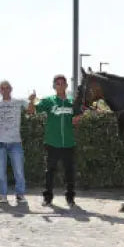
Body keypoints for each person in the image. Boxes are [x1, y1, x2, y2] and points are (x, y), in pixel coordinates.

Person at [27, 74, 81, 207]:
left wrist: (77, 118)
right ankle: (48, 197)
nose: (60, 85)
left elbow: (77, 116)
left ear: (66, 85)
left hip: (68, 142)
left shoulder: (72, 102)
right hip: (52, 142)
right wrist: (31, 101)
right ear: (54, 86)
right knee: (50, 171)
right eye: (58, 83)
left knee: (69, 172)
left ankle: (70, 197)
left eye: (63, 83)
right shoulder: (49, 101)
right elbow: (32, 111)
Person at [0, 80, 27, 204]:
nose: (5, 90)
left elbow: (31, 109)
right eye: (3, 88)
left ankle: (20, 194)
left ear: (11, 89)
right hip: (0, 142)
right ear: (0, 90)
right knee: (0, 172)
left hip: (15, 142)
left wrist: (33, 100)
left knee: (19, 171)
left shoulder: (19, 102)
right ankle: (2, 195)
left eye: (7, 87)